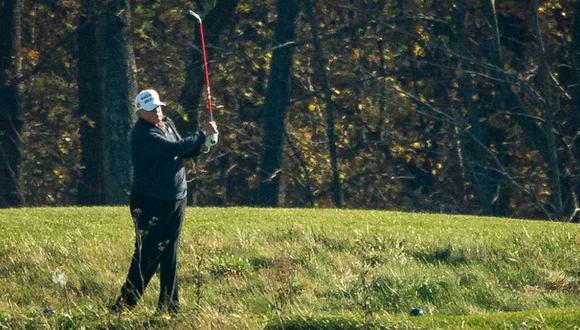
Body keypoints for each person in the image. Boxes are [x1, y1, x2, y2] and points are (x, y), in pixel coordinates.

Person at [111, 89, 218, 313]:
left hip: (176, 198)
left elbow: (182, 152)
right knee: (147, 254)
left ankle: (169, 307)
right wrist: (201, 133)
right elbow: (173, 148)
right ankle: (123, 307)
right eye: (151, 109)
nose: (157, 111)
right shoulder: (143, 135)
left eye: (158, 106)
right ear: (140, 112)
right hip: (150, 202)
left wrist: (204, 144)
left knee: (170, 252)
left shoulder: (167, 124)